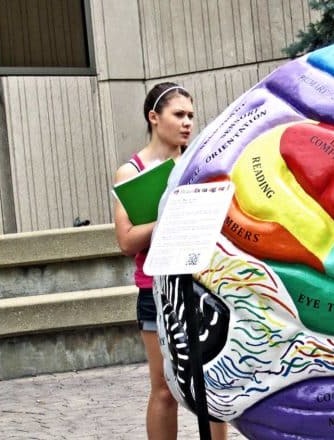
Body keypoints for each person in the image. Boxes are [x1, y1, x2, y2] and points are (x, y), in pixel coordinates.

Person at [114, 82, 228, 440]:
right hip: (156, 290)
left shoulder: (197, 165)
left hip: (200, 284)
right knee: (164, 388)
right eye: (179, 114)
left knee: (210, 385)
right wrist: (169, 216)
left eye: (191, 116)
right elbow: (126, 240)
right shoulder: (130, 172)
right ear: (154, 117)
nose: (187, 123)